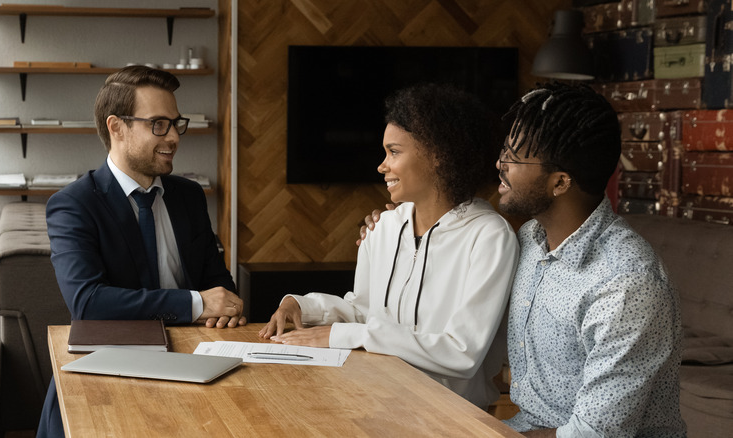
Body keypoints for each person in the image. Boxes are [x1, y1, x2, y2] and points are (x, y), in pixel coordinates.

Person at [362, 82, 686, 437]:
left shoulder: (626, 284)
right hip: (521, 428)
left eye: (514, 158)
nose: (499, 164)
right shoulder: (529, 241)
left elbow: (593, 434)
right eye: (505, 149)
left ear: (560, 182)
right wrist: (392, 233)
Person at [259, 83, 519, 409]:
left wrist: (347, 335)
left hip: (452, 418)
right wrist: (302, 307)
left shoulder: (490, 238)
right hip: (376, 401)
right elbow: (365, 311)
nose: (382, 165)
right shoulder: (383, 228)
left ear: (439, 155)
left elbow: (461, 353)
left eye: (394, 152)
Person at [37, 66, 245, 437]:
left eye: (176, 124)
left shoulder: (189, 196)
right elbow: (88, 303)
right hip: (106, 375)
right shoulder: (73, 205)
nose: (173, 138)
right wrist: (196, 305)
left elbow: (218, 284)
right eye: (158, 125)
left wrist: (225, 308)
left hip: (197, 369)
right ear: (116, 127)